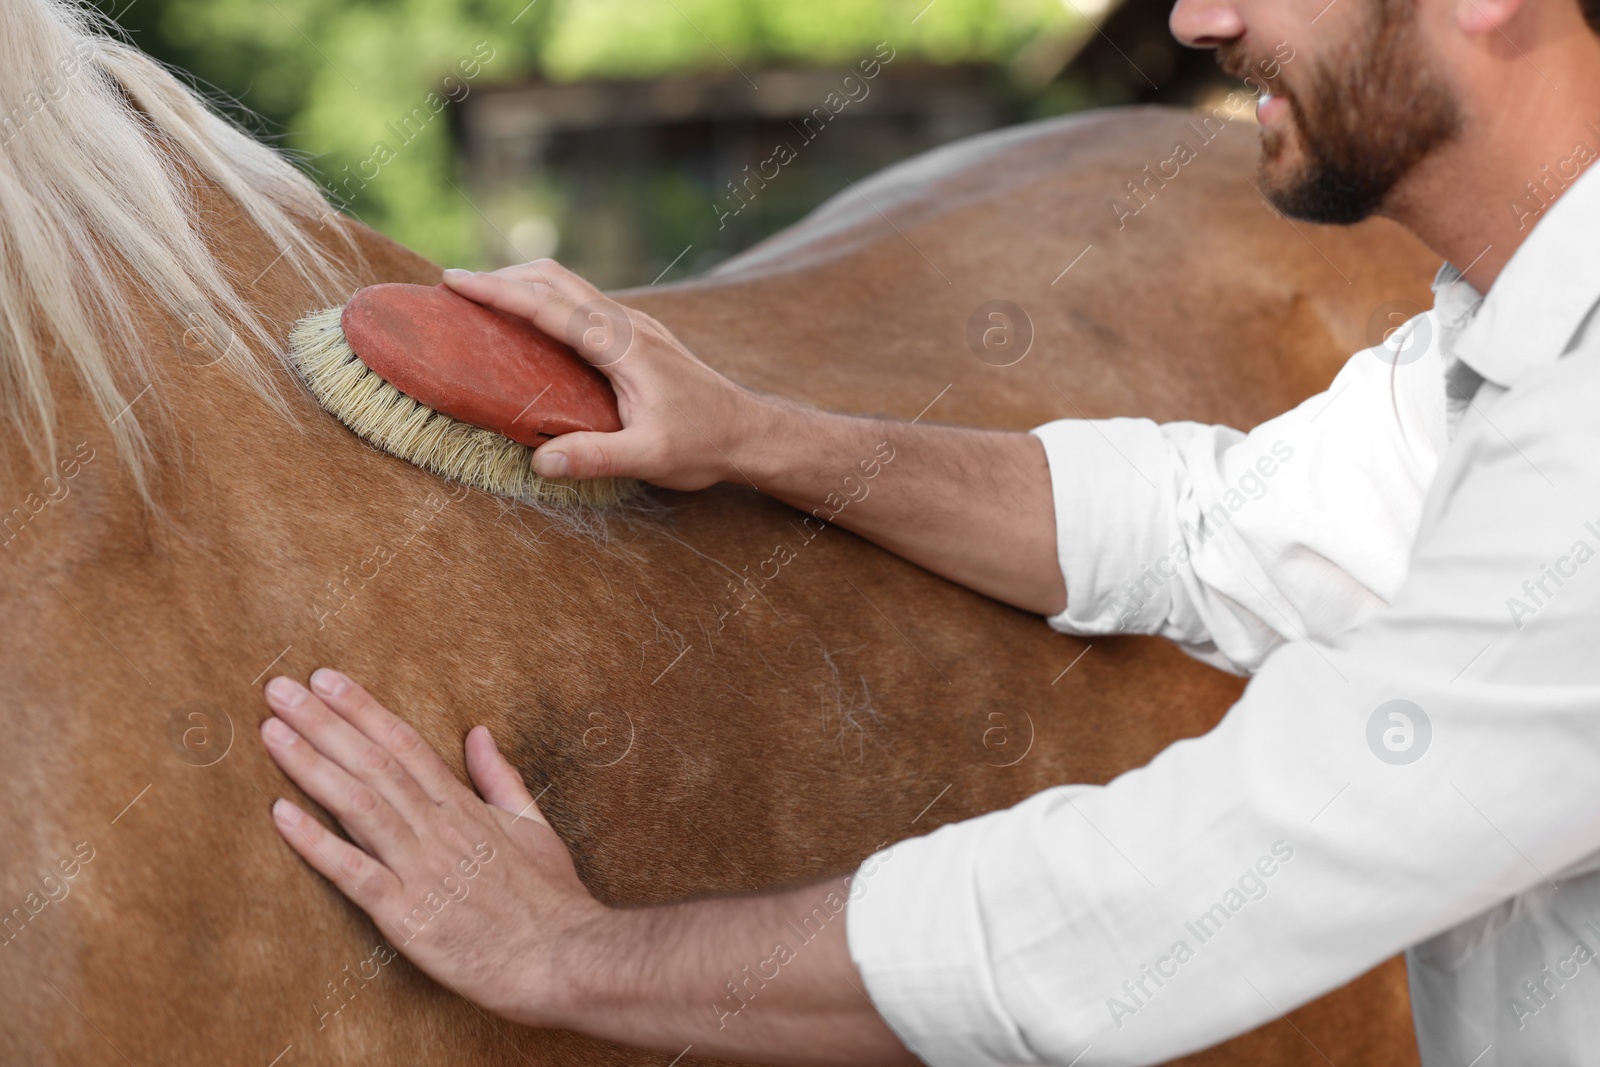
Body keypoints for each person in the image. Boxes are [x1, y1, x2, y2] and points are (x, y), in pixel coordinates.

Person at [257, 0, 1600, 1058]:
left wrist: (563, 957)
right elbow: (1203, 523)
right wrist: (758, 437)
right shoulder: (1504, 345)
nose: (1196, 20)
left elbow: (1191, 896)